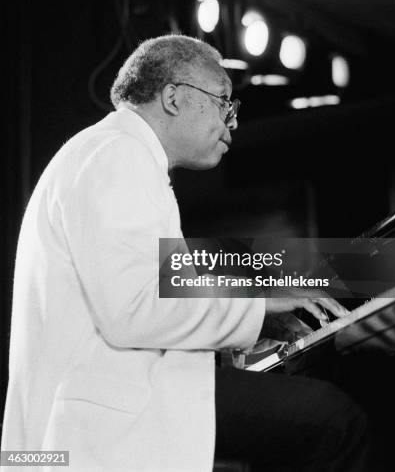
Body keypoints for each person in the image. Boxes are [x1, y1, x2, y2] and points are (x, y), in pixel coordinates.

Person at [2, 35, 369, 471]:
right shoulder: (117, 153)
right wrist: (259, 307)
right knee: (334, 421)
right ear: (173, 97)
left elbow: (137, 300)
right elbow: (134, 308)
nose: (231, 123)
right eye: (223, 103)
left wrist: (244, 328)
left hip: (99, 416)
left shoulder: (110, 154)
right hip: (95, 429)